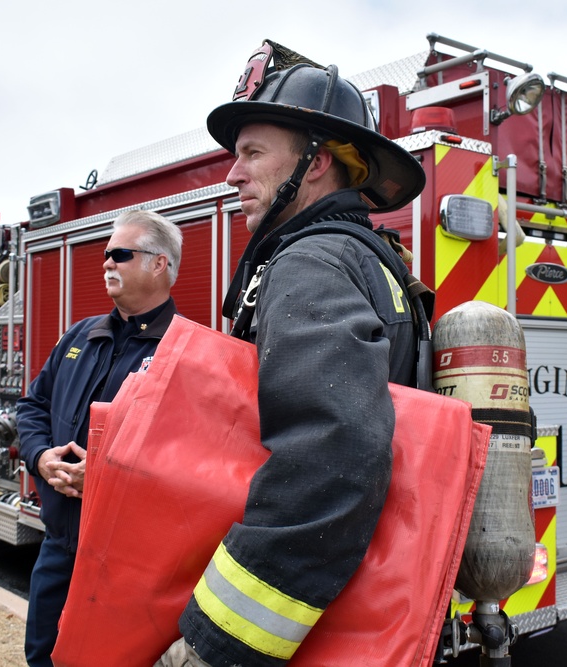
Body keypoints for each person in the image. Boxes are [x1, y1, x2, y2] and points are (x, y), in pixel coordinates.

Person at [156, 40, 427, 667]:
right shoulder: (369, 257)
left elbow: (329, 460)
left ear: (314, 164)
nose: (232, 173)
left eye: (252, 153)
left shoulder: (310, 263)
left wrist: (216, 646)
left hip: (302, 625)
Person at [18, 209, 182, 667]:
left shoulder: (185, 353)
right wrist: (40, 457)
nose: (107, 263)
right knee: (42, 655)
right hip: (60, 544)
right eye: (106, 255)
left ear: (158, 264)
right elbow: (33, 407)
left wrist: (109, 477)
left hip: (127, 561)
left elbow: (190, 462)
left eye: (120, 254)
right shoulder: (79, 336)